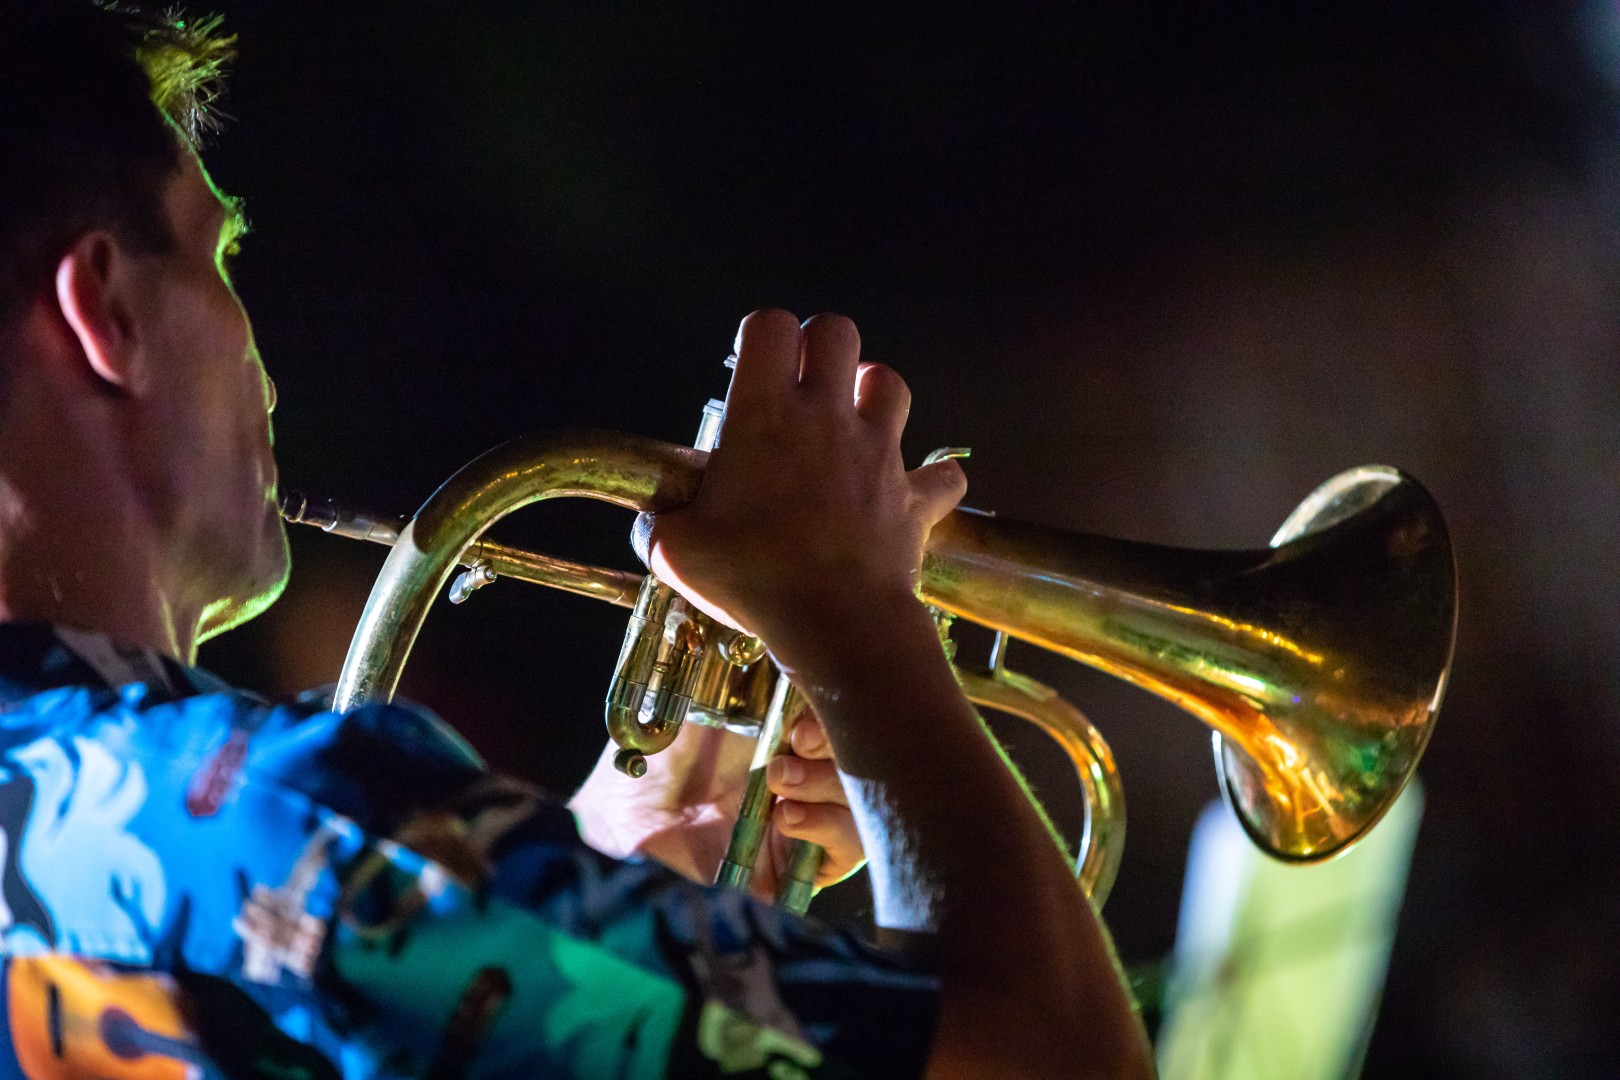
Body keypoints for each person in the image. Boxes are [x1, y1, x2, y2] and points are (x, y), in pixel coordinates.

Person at [0, 4, 1153, 1078]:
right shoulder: (285, 817)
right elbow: (1058, 1058)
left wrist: (616, 870)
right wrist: (861, 621)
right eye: (220, 258)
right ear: (105, 310)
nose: (262, 362)